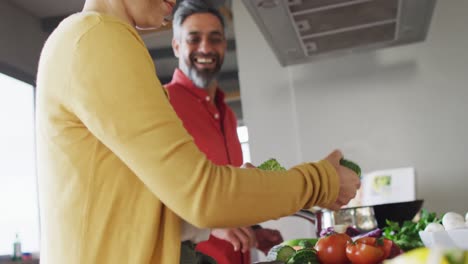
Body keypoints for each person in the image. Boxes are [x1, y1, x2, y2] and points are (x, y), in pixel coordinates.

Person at [34, 0, 361, 263]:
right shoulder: (98, 38)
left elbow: (134, 202)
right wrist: (323, 181)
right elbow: (205, 194)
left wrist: (215, 218)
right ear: (177, 45)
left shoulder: (87, 38)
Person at [165, 1, 283, 263]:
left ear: (224, 46)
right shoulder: (161, 104)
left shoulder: (227, 114)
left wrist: (254, 231)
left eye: (215, 39)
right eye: (194, 39)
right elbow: (150, 195)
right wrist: (211, 224)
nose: (205, 48)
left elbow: (224, 193)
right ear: (176, 46)